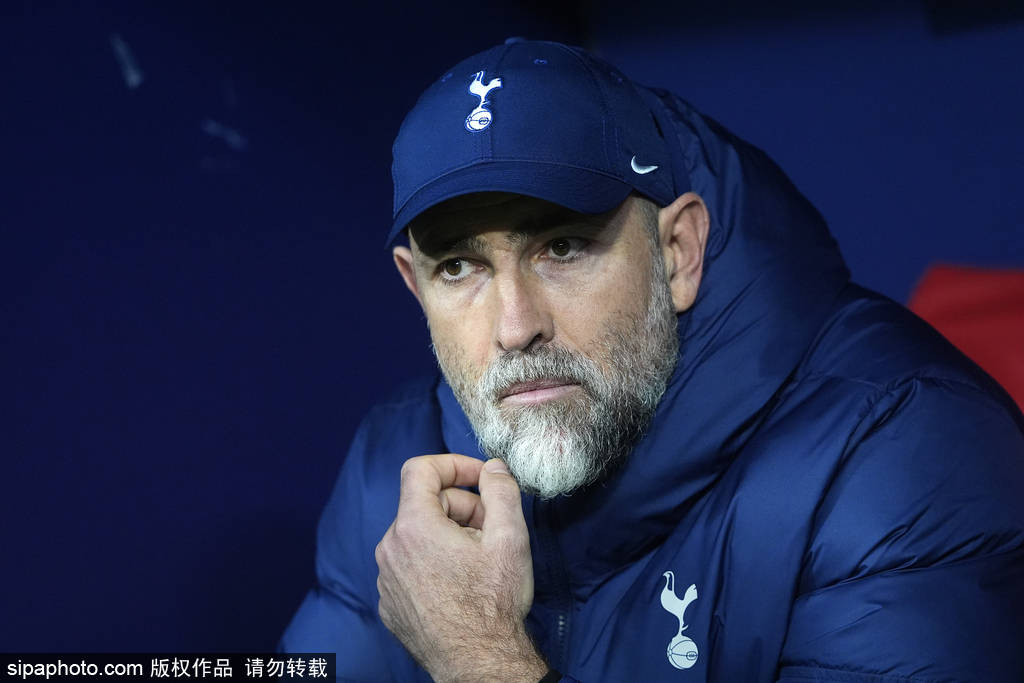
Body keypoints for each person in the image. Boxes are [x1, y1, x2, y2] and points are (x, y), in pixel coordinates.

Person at [280, 39, 1024, 682]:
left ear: (678, 252)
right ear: (414, 285)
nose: (515, 328)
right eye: (458, 268)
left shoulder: (907, 443)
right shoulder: (395, 461)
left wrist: (479, 655)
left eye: (563, 247)